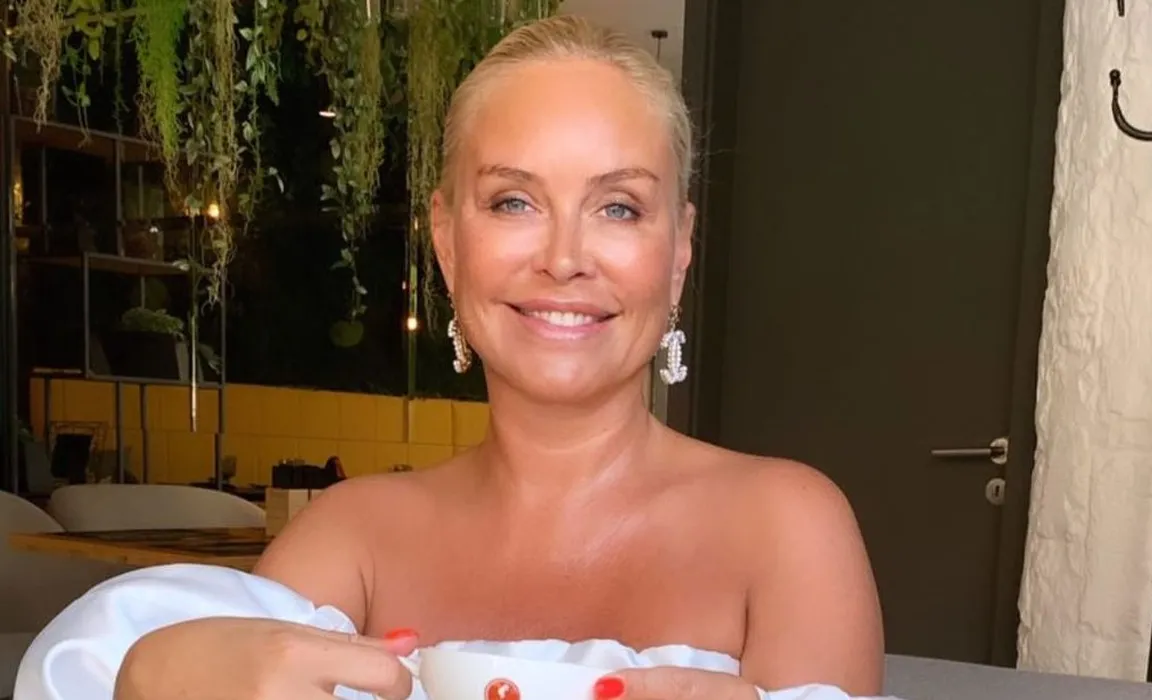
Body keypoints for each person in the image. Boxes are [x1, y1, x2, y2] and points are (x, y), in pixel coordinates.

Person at [15, 15, 885, 700]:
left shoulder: (787, 528)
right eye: (513, 202)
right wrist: (144, 680)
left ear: (680, 248)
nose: (564, 258)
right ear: (445, 239)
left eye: (619, 207)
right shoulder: (352, 536)